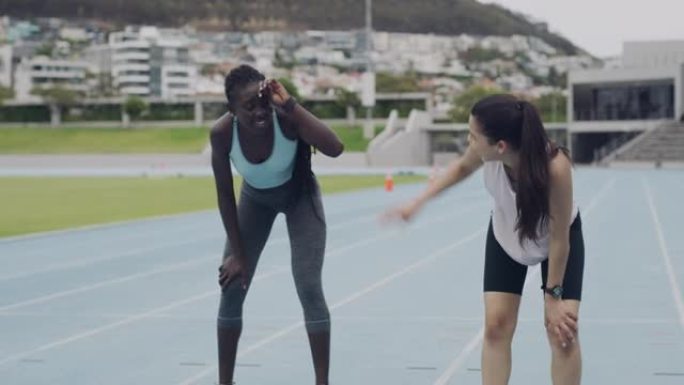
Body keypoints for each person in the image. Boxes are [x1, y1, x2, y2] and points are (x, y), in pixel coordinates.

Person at [385, 94, 584, 385]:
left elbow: (558, 239)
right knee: (495, 327)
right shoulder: (488, 152)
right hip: (507, 235)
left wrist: (553, 297)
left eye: (472, 136)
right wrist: (417, 202)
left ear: (500, 146)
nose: (469, 141)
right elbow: (460, 169)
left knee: (562, 333)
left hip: (559, 241)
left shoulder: (555, 167)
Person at [210, 64, 344, 385]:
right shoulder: (222, 133)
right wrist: (238, 255)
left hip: (300, 196)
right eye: (249, 106)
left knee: (309, 287)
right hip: (254, 201)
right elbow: (225, 197)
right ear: (231, 109)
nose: (260, 112)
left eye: (263, 102)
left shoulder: (285, 118)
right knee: (231, 287)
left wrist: (290, 105)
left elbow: (335, 148)